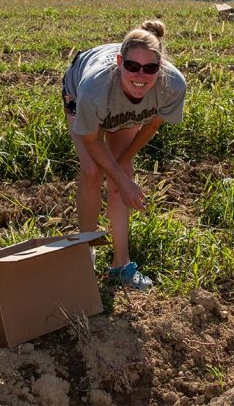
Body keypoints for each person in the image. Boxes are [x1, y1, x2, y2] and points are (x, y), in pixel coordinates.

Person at [61, 20, 186, 290]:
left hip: (123, 110)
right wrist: (120, 177)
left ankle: (121, 265)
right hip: (81, 92)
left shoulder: (171, 85)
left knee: (122, 174)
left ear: (160, 67)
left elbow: (153, 123)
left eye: (150, 68)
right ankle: (86, 253)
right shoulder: (94, 89)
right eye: (132, 66)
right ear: (120, 62)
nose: (140, 75)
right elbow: (93, 140)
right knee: (93, 172)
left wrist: (125, 163)